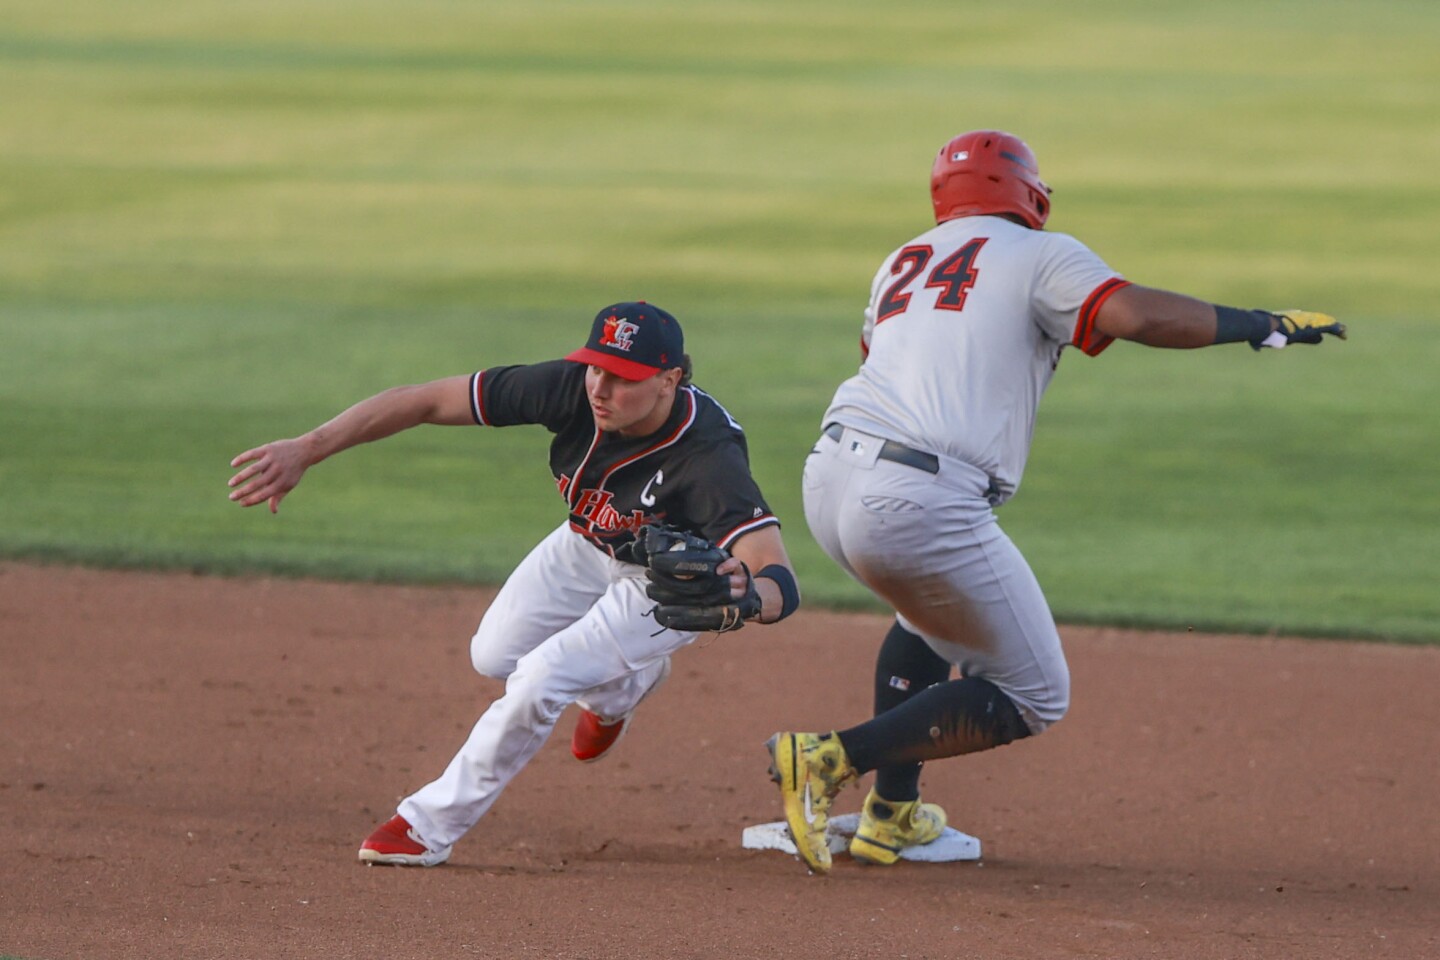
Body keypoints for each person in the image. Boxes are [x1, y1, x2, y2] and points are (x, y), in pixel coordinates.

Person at [765, 130, 1346, 874]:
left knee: (930, 617)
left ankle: (892, 815)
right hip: (916, 498)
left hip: (829, 477)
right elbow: (1134, 315)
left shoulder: (903, 259)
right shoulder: (1038, 252)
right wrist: (1259, 324)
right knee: (1033, 695)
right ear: (1028, 190)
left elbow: (887, 360)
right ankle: (829, 758)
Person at [228, 301, 801, 867]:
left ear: (668, 380)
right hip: (586, 543)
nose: (600, 388)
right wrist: (307, 448)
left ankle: (428, 825)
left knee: (541, 678)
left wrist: (747, 595)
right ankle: (621, 690)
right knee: (494, 655)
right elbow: (426, 400)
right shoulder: (571, 387)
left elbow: (777, 576)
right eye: (596, 367)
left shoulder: (708, 455)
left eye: (623, 377)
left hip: (662, 583)